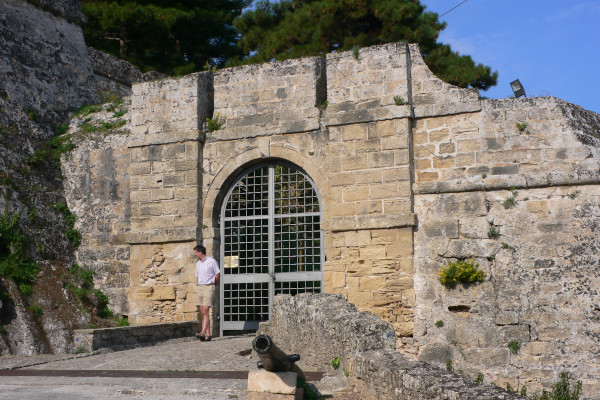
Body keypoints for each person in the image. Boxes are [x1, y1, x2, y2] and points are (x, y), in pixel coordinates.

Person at [194, 244, 220, 341]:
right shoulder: (198, 263)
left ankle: (203, 332)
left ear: (200, 252)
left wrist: (214, 284)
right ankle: (208, 334)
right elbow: (197, 276)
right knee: (203, 312)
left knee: (205, 310)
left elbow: (218, 274)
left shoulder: (211, 261)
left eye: (196, 252)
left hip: (209, 287)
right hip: (200, 287)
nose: (195, 254)